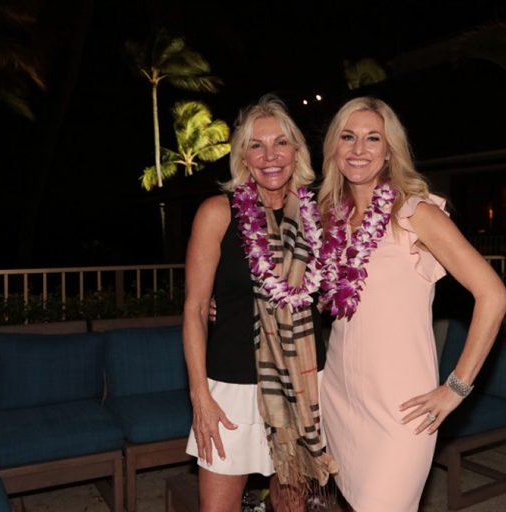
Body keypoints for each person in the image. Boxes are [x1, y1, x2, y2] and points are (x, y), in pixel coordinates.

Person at [317, 97, 506, 511]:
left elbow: (493, 295)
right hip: (339, 397)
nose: (359, 149)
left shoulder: (415, 213)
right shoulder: (334, 218)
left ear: (389, 151)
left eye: (373, 138)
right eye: (348, 137)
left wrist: (455, 388)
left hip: (401, 411)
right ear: (334, 146)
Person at [182, 95, 338, 512]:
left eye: (281, 143)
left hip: (304, 385)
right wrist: (200, 395)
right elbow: (196, 309)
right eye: (256, 145)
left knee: (291, 505)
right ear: (243, 158)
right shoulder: (217, 213)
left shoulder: (318, 216)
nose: (270, 156)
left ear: (297, 152)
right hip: (230, 388)